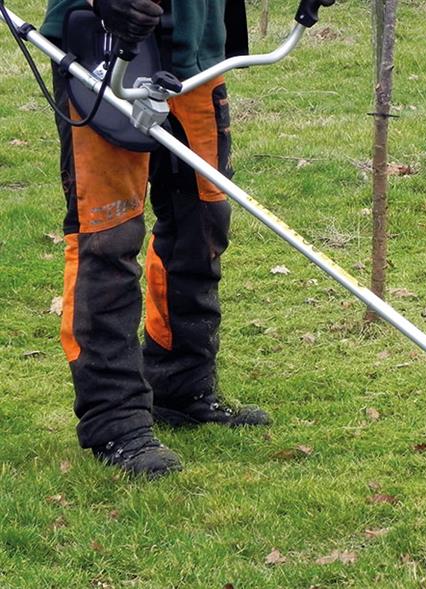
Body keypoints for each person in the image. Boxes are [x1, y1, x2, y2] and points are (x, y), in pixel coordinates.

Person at [39, 0, 270, 479]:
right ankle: (116, 421)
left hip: (196, 51)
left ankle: (181, 383)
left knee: (202, 219)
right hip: (103, 47)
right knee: (106, 235)